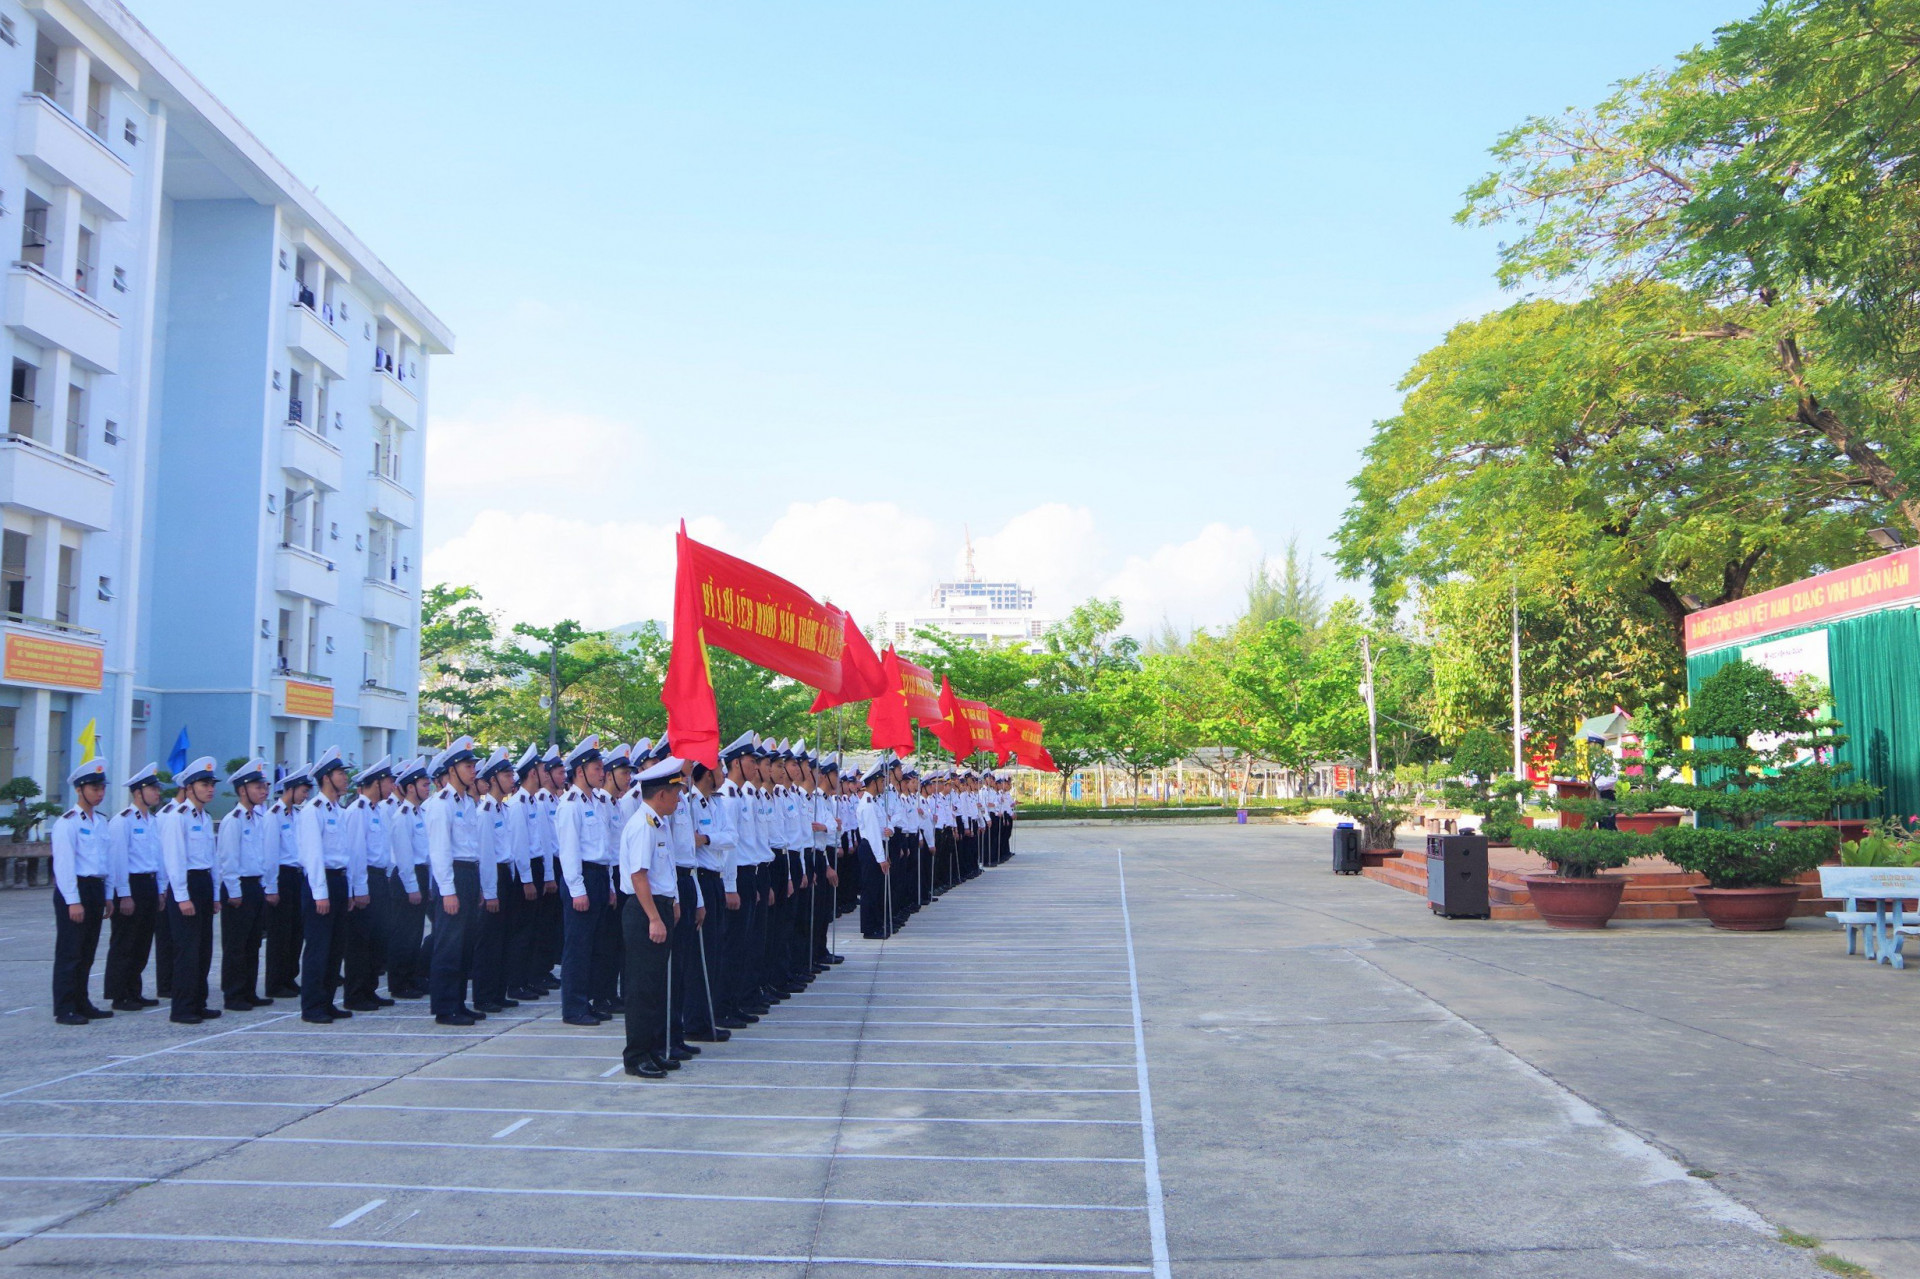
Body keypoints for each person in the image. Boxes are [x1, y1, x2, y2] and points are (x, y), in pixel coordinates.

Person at [619, 755, 685, 1079]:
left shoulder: (658, 823)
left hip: (659, 905)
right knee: (642, 987)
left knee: (656, 986)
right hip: (644, 909)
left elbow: (662, 871)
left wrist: (671, 902)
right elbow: (639, 876)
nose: (679, 798)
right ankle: (636, 1056)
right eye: (676, 792)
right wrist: (654, 919)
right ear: (662, 794)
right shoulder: (643, 825)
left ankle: (653, 1049)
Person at [425, 736, 495, 1026]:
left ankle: (458, 1002)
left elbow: (472, 848)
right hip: (451, 876)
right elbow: (440, 851)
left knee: (466, 943)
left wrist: (477, 885)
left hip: (468, 873)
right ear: (452, 769)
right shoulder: (441, 804)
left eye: (474, 765)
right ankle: (444, 1007)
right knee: (449, 944)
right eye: (468, 765)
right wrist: (448, 892)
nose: (473, 770)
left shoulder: (466, 802)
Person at [297, 747, 366, 1024]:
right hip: (320, 883)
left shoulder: (337, 810)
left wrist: (348, 890)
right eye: (340, 773)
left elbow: (345, 854)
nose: (345, 778)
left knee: (336, 947)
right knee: (318, 948)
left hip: (338, 882)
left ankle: (327, 1001)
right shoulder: (312, 811)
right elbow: (313, 855)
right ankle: (312, 1006)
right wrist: (320, 893)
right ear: (326, 777)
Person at [554, 735, 616, 1027]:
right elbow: (569, 851)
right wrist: (577, 890)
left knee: (600, 945)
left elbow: (607, 849)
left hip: (600, 876)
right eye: (596, 768)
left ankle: (592, 1001)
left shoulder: (599, 801)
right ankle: (574, 1007)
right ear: (580, 771)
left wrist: (612, 885)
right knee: (578, 947)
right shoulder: (570, 804)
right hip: (582, 878)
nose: (601, 772)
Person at [158, 755, 222, 1025]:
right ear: (190, 786)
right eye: (204, 784)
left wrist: (216, 894)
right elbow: (175, 860)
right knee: (187, 949)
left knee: (203, 949)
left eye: (211, 784)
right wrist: (182, 896)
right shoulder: (177, 817)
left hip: (203, 883)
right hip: (186, 885)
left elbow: (212, 857)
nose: (210, 789)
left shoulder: (204, 817)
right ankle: (182, 1007)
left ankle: (198, 1001)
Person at [50, 758, 113, 1025]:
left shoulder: (100, 821)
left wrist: (108, 895)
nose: (99, 793)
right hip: (74, 889)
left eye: (102, 788)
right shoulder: (67, 823)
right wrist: (73, 901)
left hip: (95, 888)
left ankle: (81, 1001)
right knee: (70, 951)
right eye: (94, 788)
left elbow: (105, 862)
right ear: (79, 789)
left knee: (87, 951)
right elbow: (64, 866)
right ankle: (64, 1007)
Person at [103, 763, 165, 1011]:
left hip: (149, 884)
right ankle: (119, 994)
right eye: (153, 789)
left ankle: (134, 991)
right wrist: (124, 895)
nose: (158, 793)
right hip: (130, 885)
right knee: (124, 942)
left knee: (142, 942)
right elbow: (117, 861)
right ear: (138, 792)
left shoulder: (153, 820)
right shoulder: (122, 821)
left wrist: (161, 889)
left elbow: (158, 858)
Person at [342, 757, 398, 1013]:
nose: (392, 786)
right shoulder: (357, 811)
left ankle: (370, 989)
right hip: (364, 879)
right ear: (375, 783)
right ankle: (355, 993)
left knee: (378, 938)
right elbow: (356, 854)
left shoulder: (379, 810)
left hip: (379, 879)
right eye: (388, 781)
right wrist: (359, 890)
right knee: (359, 942)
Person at [217, 759, 274, 1011]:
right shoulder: (234, 819)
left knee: (253, 943)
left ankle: (249, 991)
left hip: (255, 885)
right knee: (236, 945)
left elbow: (259, 856)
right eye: (257, 786)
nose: (263, 790)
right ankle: (233, 994)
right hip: (238, 887)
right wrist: (233, 890)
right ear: (242, 790)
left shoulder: (256, 818)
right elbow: (228, 859)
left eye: (265, 786)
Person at [263, 765, 313, 999]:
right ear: (290, 789)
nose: (306, 795)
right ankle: (275, 981)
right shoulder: (274, 815)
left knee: (296, 932)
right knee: (280, 933)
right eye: (303, 791)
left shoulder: (298, 815)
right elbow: (271, 853)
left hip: (297, 876)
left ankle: (289, 976)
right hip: (281, 876)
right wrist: (271, 887)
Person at [385, 757, 432, 1000]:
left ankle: (411, 977)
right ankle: (399, 982)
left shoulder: (419, 813)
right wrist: (412, 886)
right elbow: (403, 856)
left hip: (420, 874)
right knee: (403, 933)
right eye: (424, 784)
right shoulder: (402, 815)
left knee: (415, 933)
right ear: (411, 787)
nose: (428, 788)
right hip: (406, 878)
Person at [857, 763, 892, 939]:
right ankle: (869, 928)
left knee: (877, 889)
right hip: (870, 848)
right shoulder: (868, 804)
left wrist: (890, 831)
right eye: (881, 781)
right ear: (873, 783)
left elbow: (886, 824)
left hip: (877, 848)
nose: (884, 785)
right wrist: (881, 858)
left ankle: (877, 924)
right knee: (870, 889)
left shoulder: (875, 803)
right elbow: (872, 834)